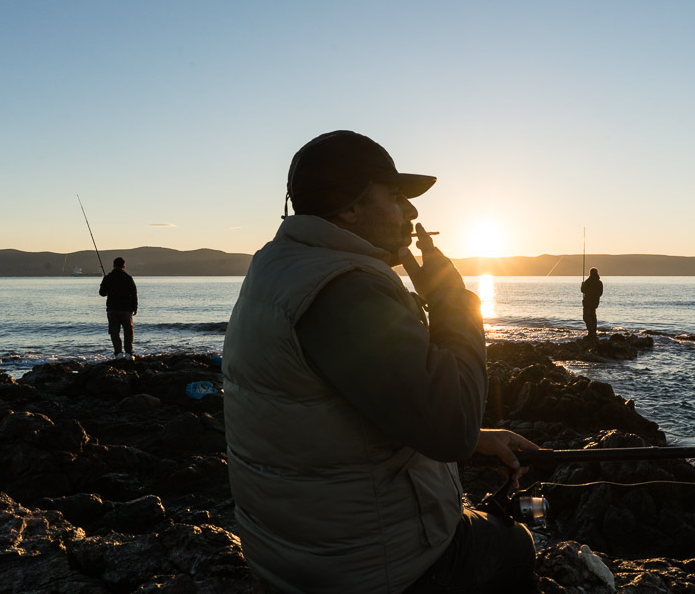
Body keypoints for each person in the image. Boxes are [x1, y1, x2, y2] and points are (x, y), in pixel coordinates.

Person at [222, 130, 539, 594]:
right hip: (367, 573)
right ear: (350, 208)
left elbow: (349, 403)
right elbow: (451, 422)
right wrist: (451, 297)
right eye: (395, 196)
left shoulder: (280, 265)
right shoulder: (346, 290)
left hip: (291, 554)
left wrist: (475, 439)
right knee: (517, 546)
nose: (412, 212)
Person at [98, 256, 137, 359]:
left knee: (114, 332)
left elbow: (102, 293)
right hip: (126, 310)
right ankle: (128, 353)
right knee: (128, 332)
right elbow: (134, 294)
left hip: (112, 309)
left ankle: (118, 353)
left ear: (113, 265)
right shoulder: (128, 278)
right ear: (124, 266)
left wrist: (106, 288)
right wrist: (135, 307)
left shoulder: (108, 277)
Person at [581, 267, 603, 339]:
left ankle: (591, 332)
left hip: (587, 302)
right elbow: (600, 293)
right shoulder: (600, 282)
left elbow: (583, 290)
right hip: (595, 303)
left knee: (586, 317)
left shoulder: (588, 281)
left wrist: (582, 284)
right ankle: (594, 332)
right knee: (593, 317)